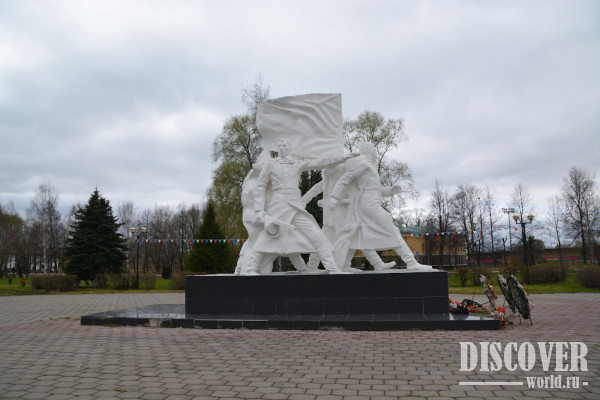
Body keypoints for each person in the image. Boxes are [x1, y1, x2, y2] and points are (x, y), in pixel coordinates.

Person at [249, 138, 357, 274]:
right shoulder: (270, 164)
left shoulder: (297, 163)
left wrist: (343, 157)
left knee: (317, 236)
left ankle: (333, 269)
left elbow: (320, 162)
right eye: (279, 146)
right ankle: (251, 268)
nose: (281, 148)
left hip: (295, 206)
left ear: (290, 148)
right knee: (267, 237)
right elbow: (260, 187)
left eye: (284, 146)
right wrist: (259, 211)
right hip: (278, 206)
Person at [329, 142, 432, 271]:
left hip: (366, 206)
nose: (375, 153)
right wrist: (334, 197)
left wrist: (390, 191)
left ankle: (345, 265)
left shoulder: (369, 167)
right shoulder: (364, 164)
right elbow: (345, 178)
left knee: (356, 234)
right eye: (373, 150)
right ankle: (411, 262)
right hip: (370, 206)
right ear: (367, 151)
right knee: (393, 230)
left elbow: (375, 190)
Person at [235, 151, 311, 275]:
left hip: (276, 221)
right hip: (266, 224)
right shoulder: (253, 185)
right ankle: (247, 269)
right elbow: (248, 211)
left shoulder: (269, 183)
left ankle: (303, 270)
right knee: (260, 246)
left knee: (290, 244)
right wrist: (262, 217)